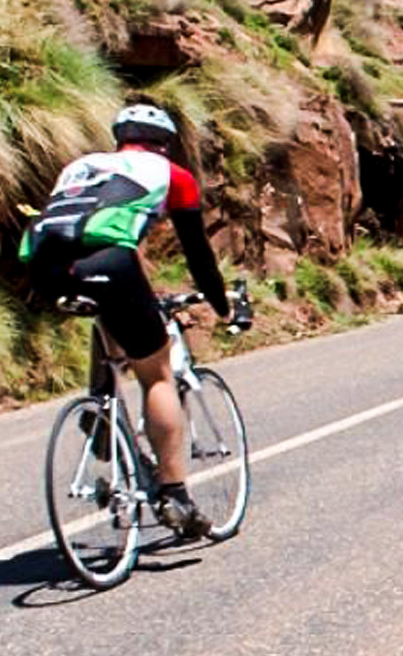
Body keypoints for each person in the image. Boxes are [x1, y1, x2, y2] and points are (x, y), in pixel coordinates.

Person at [23, 104, 246, 539]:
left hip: (45, 267)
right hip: (110, 265)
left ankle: (102, 410)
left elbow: (88, 230)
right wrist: (221, 306)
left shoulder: (82, 167)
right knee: (157, 372)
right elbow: (198, 254)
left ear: (121, 138)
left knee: (108, 316)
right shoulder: (171, 174)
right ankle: (175, 493)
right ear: (166, 143)